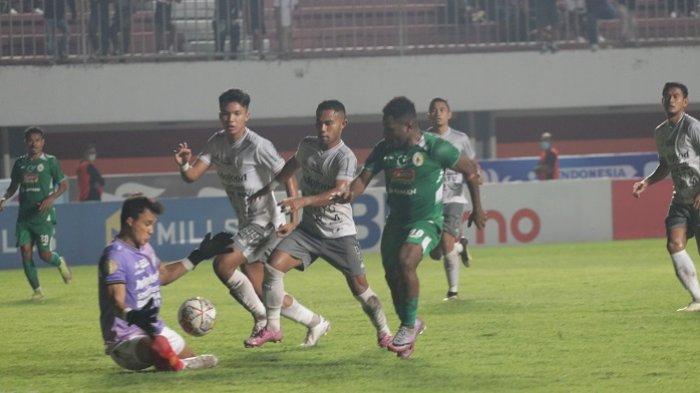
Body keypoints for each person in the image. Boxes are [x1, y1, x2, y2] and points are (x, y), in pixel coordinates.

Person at [335, 97, 486, 358]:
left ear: (409, 126)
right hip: (396, 223)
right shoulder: (384, 148)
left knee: (406, 261)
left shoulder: (435, 147)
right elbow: (363, 179)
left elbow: (470, 171)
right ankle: (411, 326)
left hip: (427, 220)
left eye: (390, 129)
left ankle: (406, 326)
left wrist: (478, 209)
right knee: (392, 277)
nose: (385, 135)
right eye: (384, 129)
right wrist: (348, 194)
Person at [174, 88, 324, 346]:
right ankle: (315, 322)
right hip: (248, 222)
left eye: (237, 113)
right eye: (226, 114)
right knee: (262, 289)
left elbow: (287, 174)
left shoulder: (258, 145)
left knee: (222, 264)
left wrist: (294, 217)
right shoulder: (216, 142)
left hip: (266, 222)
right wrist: (184, 164)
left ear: (247, 116)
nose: (231, 119)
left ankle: (261, 319)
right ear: (220, 116)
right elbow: (192, 176)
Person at [244, 100, 392, 349]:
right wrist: (269, 187)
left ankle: (384, 331)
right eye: (319, 123)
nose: (322, 128)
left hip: (339, 234)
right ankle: (272, 327)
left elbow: (339, 191)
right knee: (273, 267)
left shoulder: (345, 157)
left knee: (360, 288)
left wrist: (303, 201)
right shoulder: (307, 145)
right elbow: (291, 166)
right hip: (310, 232)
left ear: (342, 124)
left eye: (329, 123)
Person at [99, 195, 231, 371]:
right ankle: (176, 364)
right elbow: (117, 302)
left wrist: (197, 256)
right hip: (126, 340)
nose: (151, 230)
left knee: (184, 357)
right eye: (147, 223)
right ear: (130, 221)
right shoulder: (115, 256)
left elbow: (164, 275)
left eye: (153, 224)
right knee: (159, 346)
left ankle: (178, 363)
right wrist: (133, 316)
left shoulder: (145, 248)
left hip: (155, 329)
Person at [633, 82, 700, 312]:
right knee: (674, 244)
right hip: (680, 199)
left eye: (676, 96)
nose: (671, 100)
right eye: (667, 96)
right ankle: (698, 299)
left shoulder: (693, 128)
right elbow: (665, 165)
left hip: (699, 198)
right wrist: (646, 182)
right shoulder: (660, 132)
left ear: (684, 102)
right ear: (662, 101)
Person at [0, 127, 72, 301]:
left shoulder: (50, 162)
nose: (34, 143)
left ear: (43, 142)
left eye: (38, 140)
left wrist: (50, 198)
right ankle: (37, 291)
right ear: (26, 142)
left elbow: (63, 185)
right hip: (24, 216)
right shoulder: (20, 164)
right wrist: (3, 198)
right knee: (25, 252)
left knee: (44, 255)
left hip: (43, 215)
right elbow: (13, 188)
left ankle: (59, 261)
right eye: (31, 140)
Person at [426, 98, 477, 301]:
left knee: (446, 243)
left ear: (449, 114)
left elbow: (472, 164)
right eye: (434, 110)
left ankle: (453, 292)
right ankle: (460, 246)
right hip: (433, 200)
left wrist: (477, 175)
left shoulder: (460, 138)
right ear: (429, 115)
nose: (438, 113)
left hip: (454, 198)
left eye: (442, 110)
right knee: (435, 253)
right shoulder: (425, 138)